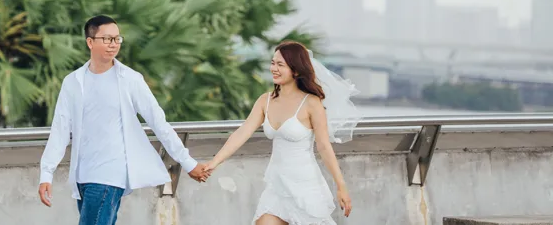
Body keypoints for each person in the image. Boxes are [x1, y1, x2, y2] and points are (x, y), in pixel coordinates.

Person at [37, 15, 212, 225]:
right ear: (90, 42)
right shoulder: (73, 82)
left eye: (117, 39)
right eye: (107, 39)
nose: (113, 44)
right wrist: (46, 174)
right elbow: (60, 130)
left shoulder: (130, 79)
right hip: (82, 176)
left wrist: (188, 162)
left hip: (110, 176)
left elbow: (159, 123)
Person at [201, 41, 360, 224]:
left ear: (296, 70)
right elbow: (241, 133)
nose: (274, 68)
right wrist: (214, 162)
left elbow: (324, 146)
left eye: (280, 65)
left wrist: (341, 186)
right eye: (273, 63)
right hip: (276, 187)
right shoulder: (265, 101)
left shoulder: (311, 103)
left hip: (305, 188)